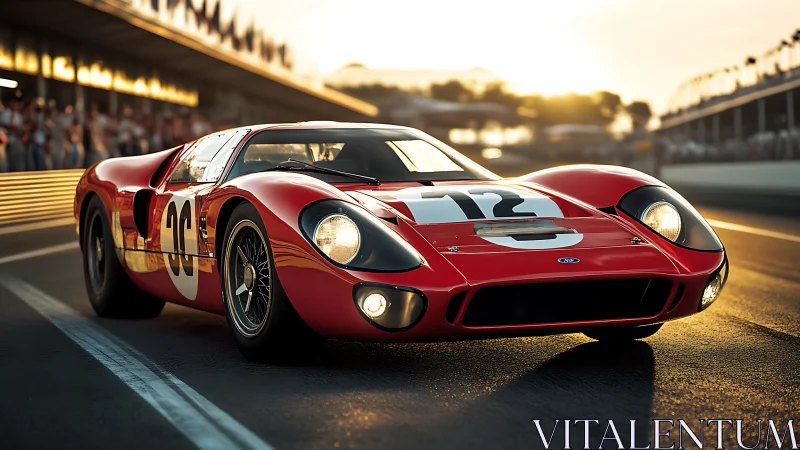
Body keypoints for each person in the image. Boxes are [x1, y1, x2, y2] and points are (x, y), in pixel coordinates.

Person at [0, 97, 26, 172]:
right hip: (6, 138)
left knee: (18, 159)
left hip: (16, 139)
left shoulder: (18, 115)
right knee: (4, 163)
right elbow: (4, 125)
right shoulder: (5, 113)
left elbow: (21, 128)